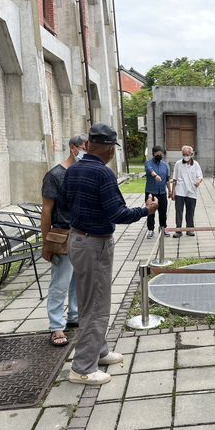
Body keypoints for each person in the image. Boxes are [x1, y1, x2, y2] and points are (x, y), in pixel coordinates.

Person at [62, 123, 158, 385]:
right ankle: (82, 368)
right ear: (108, 149)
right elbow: (118, 213)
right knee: (97, 305)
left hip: (79, 239)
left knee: (90, 300)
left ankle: (99, 351)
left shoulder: (73, 170)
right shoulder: (102, 174)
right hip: (94, 244)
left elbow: (66, 205)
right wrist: (146, 210)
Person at [41, 134, 87, 347]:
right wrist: (45, 242)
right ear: (73, 148)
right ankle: (56, 326)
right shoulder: (55, 175)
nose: (86, 151)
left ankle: (74, 315)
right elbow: (47, 210)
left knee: (78, 279)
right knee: (60, 282)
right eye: (84, 147)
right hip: (62, 235)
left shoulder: (82, 173)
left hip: (82, 234)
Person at [171, 146, 203, 238]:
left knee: (190, 211)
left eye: (187, 155)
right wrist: (173, 192)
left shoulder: (196, 164)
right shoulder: (178, 163)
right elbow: (174, 178)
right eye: (184, 154)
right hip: (180, 191)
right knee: (178, 211)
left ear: (191, 154)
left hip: (191, 192)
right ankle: (178, 230)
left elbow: (200, 176)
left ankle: (189, 229)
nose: (185, 156)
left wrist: (198, 182)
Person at [145, 145, 171, 239]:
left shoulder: (165, 165)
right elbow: (149, 170)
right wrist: (155, 175)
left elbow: (167, 179)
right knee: (150, 212)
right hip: (151, 192)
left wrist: (170, 190)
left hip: (162, 192)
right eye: (158, 153)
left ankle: (163, 228)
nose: (160, 155)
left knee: (163, 212)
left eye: (161, 154)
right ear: (153, 154)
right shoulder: (148, 163)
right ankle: (150, 230)